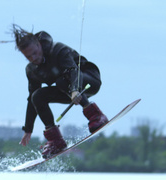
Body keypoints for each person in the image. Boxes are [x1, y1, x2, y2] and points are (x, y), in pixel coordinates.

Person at [11, 24, 108, 158]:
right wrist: (28, 129)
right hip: (67, 90)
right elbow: (31, 100)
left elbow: (74, 71)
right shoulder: (31, 70)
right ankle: (55, 140)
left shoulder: (57, 50)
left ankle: (96, 115)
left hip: (88, 81)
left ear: (39, 45)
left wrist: (74, 89)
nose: (34, 58)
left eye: (35, 53)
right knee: (37, 96)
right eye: (29, 57)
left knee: (62, 80)